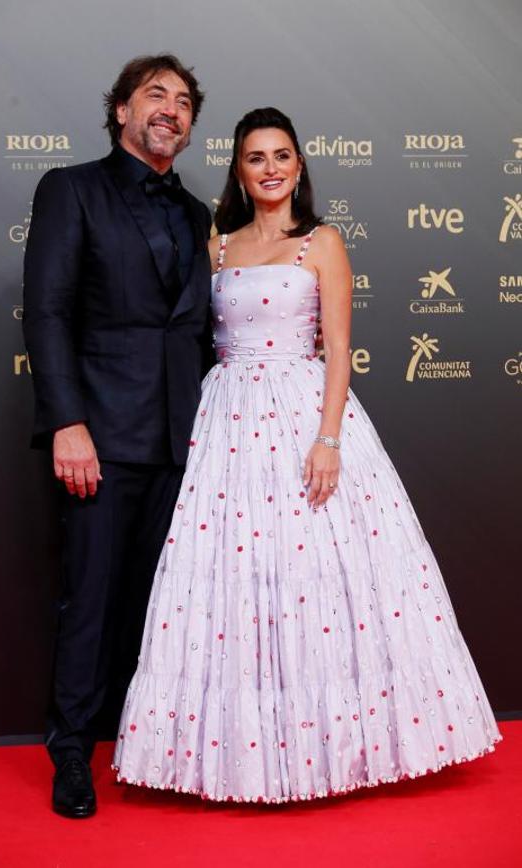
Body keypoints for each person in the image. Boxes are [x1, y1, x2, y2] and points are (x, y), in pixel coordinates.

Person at [112, 107, 501, 803]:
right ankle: (249, 756)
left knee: (315, 577)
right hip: (226, 420)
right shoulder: (218, 246)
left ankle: (331, 752)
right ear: (239, 168)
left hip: (302, 413)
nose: (269, 168)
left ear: (298, 166)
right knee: (232, 585)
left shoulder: (322, 242)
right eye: (255, 157)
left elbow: (340, 351)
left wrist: (327, 440)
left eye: (281, 156)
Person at [23, 54, 213, 818]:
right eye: (155, 95)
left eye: (185, 101)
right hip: (99, 437)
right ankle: (72, 755)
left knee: (162, 608)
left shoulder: (199, 214)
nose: (170, 109)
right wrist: (68, 423)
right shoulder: (72, 189)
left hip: (184, 443)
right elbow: (47, 312)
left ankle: (151, 750)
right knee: (91, 603)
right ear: (122, 110)